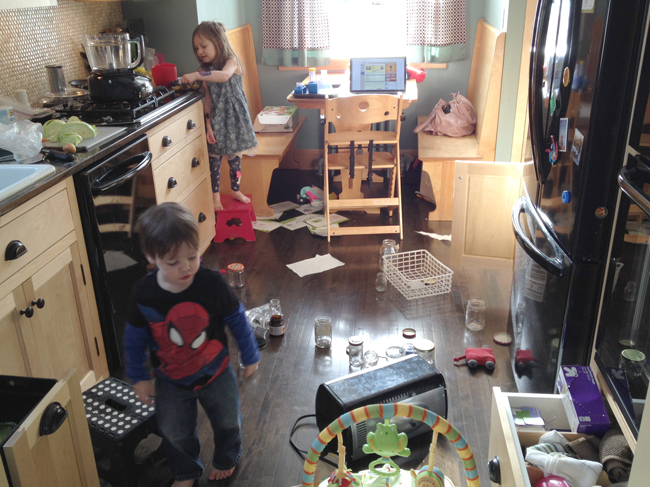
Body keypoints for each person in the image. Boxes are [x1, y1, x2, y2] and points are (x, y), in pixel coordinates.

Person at [124, 202, 260, 486]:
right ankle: (185, 472)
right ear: (152, 258)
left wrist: (250, 353)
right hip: (170, 379)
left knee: (228, 421)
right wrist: (137, 377)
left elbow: (237, 319)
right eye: (173, 262)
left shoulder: (211, 284)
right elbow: (134, 338)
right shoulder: (144, 293)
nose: (186, 267)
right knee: (174, 431)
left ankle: (227, 458)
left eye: (192, 256)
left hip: (217, 371)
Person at [181, 21, 257, 212]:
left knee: (235, 160)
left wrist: (197, 75)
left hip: (235, 121)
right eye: (196, 48)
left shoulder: (231, 61)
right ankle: (215, 197)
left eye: (204, 46)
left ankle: (236, 190)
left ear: (219, 43)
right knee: (214, 160)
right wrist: (208, 125)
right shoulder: (203, 71)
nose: (200, 51)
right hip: (217, 120)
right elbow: (208, 99)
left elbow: (223, 76)